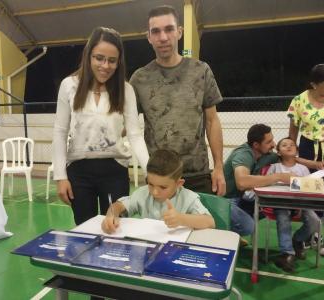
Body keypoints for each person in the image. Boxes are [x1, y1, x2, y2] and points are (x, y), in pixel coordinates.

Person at [52, 27, 149, 226]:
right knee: (85, 232)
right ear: (88, 56)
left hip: (115, 173)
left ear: (118, 62)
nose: (105, 65)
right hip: (79, 174)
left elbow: (135, 134)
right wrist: (60, 176)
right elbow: (60, 132)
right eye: (99, 58)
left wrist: (150, 171)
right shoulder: (69, 85)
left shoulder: (126, 90)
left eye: (112, 61)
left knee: (115, 231)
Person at [129, 5, 226, 196]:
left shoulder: (201, 71)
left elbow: (212, 121)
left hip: (198, 174)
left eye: (169, 29)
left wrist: (219, 168)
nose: (163, 37)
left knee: (201, 226)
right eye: (156, 31)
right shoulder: (139, 79)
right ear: (148, 37)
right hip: (159, 178)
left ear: (179, 32)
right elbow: (126, 124)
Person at [223, 124, 323, 238]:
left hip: (244, 198)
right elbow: (242, 183)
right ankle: (223, 233)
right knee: (248, 226)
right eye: (269, 142)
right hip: (226, 199)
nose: (274, 145)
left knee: (269, 208)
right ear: (256, 145)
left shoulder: (266, 154)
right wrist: (279, 177)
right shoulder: (243, 155)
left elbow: (291, 157)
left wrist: (316, 164)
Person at [287, 63, 324, 257]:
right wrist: (290, 153)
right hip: (308, 148)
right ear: (314, 84)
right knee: (311, 191)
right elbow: (293, 130)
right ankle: (313, 233)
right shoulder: (299, 100)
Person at [102, 149, 215, 234]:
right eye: (150, 184)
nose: (155, 192)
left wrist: (181, 219)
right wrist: (111, 214)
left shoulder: (188, 198)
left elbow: (210, 222)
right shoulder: (143, 193)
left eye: (163, 187)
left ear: (178, 184)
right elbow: (119, 205)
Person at [266, 137, 320, 273]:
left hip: (301, 203)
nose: (289, 146)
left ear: (296, 150)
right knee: (283, 220)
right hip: (280, 203)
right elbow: (266, 185)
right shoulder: (274, 168)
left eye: (292, 145)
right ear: (278, 152)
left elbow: (309, 189)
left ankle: (297, 240)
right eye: (284, 145)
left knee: (315, 221)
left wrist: (301, 206)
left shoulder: (303, 169)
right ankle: (287, 253)